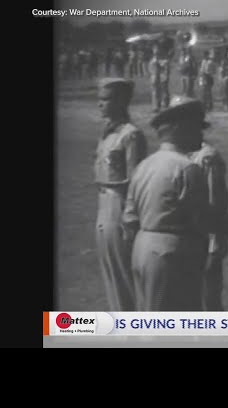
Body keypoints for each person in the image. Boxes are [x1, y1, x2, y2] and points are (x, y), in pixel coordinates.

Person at [122, 96, 228, 310]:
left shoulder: (144, 166)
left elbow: (129, 217)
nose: (200, 135)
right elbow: (201, 219)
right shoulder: (187, 168)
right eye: (196, 128)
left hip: (142, 248)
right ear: (179, 128)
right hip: (174, 253)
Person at [94, 78, 148, 311]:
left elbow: (135, 182)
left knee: (124, 274)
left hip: (119, 205)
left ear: (121, 101)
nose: (100, 104)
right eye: (100, 99)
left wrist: (130, 218)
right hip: (103, 203)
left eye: (105, 99)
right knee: (110, 273)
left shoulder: (131, 135)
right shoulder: (107, 134)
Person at [190, 140, 228, 311]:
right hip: (189, 239)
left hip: (207, 240)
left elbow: (214, 203)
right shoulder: (185, 154)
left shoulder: (207, 157)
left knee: (209, 301)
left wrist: (214, 243)